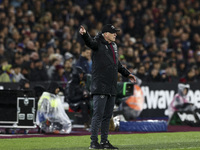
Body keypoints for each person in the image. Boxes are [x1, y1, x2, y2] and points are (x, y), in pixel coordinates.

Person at [79, 24, 136, 149]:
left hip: (111, 87)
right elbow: (90, 42)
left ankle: (104, 142)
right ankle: (93, 142)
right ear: (105, 34)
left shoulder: (114, 46)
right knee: (98, 115)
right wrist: (85, 34)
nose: (115, 34)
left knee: (107, 116)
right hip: (100, 85)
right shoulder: (97, 43)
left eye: (115, 32)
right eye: (113, 32)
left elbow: (118, 64)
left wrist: (128, 74)